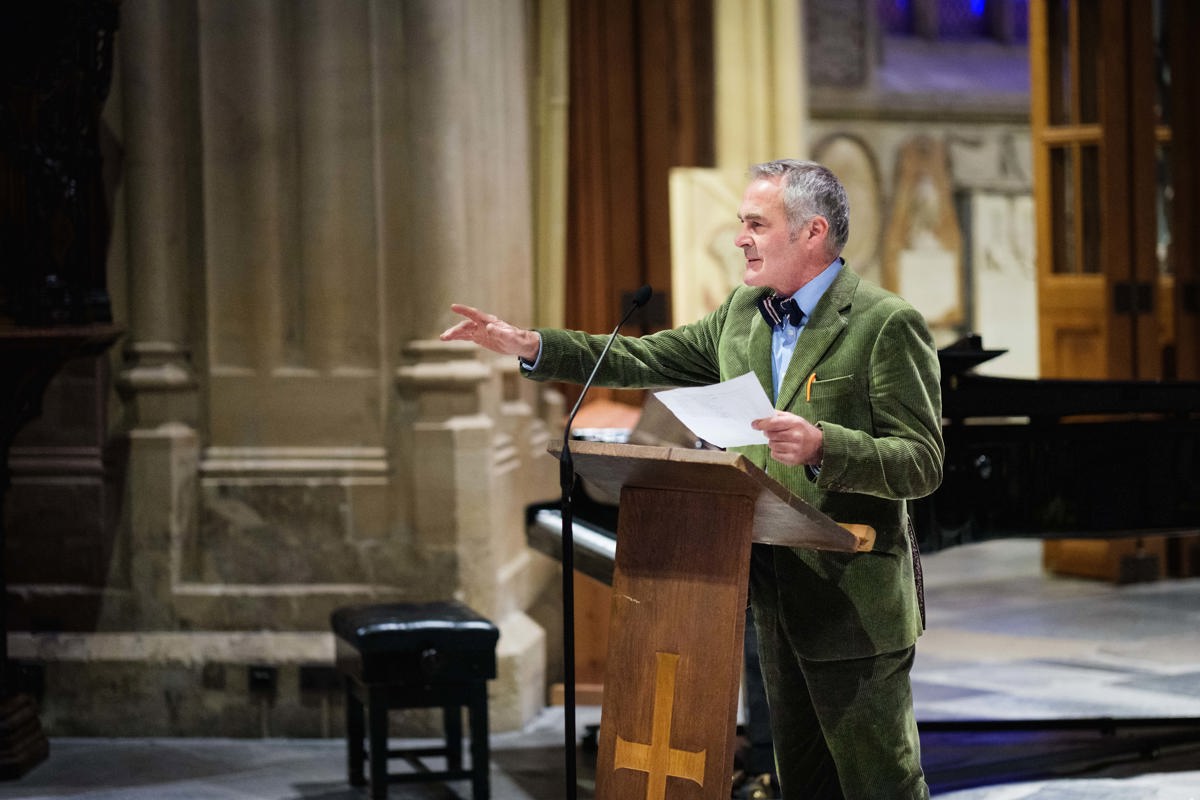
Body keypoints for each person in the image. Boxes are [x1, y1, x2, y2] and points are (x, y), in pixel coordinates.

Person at [441, 159, 943, 799]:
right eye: (742, 223)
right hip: (771, 592)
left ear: (812, 233)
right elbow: (639, 356)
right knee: (803, 785)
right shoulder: (743, 313)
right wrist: (533, 346)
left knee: (881, 787)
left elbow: (923, 463)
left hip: (853, 604)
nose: (740, 238)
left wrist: (824, 445)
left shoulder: (884, 324)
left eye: (756, 224)